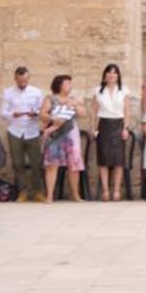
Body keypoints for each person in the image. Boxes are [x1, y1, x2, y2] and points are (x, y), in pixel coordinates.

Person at [0, 67, 46, 201]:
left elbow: (42, 110)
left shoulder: (36, 92)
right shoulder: (8, 92)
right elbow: (3, 112)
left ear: (28, 78)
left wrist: (35, 113)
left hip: (32, 130)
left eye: (25, 80)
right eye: (20, 80)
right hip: (15, 130)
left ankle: (38, 191)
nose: (22, 83)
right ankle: (24, 191)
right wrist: (13, 114)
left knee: (36, 163)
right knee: (18, 163)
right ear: (15, 79)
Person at [40, 74, 86, 202]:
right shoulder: (50, 98)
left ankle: (75, 195)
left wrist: (75, 105)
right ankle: (49, 196)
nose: (70, 86)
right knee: (52, 164)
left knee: (74, 164)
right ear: (59, 85)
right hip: (55, 134)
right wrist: (53, 119)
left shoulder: (73, 99)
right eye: (67, 83)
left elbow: (83, 114)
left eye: (70, 83)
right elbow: (42, 114)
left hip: (71, 133)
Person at [89, 63, 132, 201]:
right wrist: (93, 128)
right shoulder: (97, 91)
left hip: (118, 123)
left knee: (118, 160)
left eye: (114, 73)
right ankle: (106, 190)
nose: (111, 75)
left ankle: (116, 190)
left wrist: (126, 128)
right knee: (103, 159)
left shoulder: (124, 90)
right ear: (104, 75)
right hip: (104, 124)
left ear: (118, 75)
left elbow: (127, 111)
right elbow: (94, 111)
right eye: (109, 72)